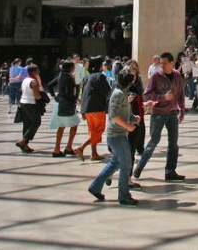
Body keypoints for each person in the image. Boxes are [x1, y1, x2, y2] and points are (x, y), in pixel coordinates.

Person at [88, 70, 144, 206]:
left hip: (119, 135)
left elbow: (123, 112)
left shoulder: (122, 94)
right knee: (126, 164)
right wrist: (129, 126)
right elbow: (114, 116)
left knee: (116, 163)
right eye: (132, 81)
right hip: (117, 135)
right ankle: (124, 196)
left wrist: (133, 118)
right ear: (128, 82)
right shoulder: (118, 94)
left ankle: (95, 187)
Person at [135, 52, 186, 181]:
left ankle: (170, 171)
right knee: (153, 142)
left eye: (164, 63)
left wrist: (182, 110)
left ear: (172, 63)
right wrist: (163, 97)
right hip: (158, 114)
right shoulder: (156, 76)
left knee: (173, 144)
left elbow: (180, 93)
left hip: (173, 114)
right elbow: (147, 95)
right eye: (160, 63)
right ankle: (139, 168)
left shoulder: (177, 76)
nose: (161, 66)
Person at [75, 56, 111, 161]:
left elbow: (84, 94)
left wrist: (82, 110)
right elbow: (108, 92)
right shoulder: (101, 77)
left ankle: (94, 154)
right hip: (97, 108)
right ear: (100, 66)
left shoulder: (87, 77)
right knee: (99, 130)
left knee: (93, 131)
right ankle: (81, 147)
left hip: (87, 108)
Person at [47, 60, 80, 157]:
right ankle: (68, 147)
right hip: (67, 104)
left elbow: (49, 85)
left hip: (60, 104)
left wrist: (55, 96)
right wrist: (74, 98)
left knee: (61, 126)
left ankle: (57, 149)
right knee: (74, 125)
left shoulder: (61, 75)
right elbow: (68, 92)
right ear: (70, 68)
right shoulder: (69, 77)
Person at [15, 64, 44, 153]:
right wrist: (43, 98)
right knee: (36, 122)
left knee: (27, 124)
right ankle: (23, 141)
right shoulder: (33, 82)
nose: (39, 72)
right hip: (30, 104)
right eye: (37, 70)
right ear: (34, 72)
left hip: (23, 103)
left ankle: (25, 146)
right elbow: (37, 96)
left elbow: (21, 90)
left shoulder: (25, 80)